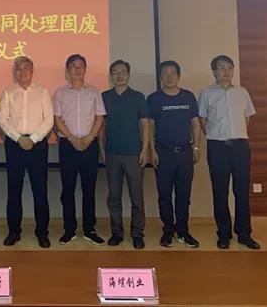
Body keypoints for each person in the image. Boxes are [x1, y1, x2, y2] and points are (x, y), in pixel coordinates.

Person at [198, 55, 261, 250]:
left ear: (233, 70)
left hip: (240, 147)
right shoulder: (206, 93)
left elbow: (247, 118)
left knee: (242, 191)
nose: (226, 71)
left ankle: (244, 234)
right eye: (221, 68)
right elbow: (202, 120)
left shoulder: (242, 92)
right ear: (214, 72)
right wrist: (217, 135)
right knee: (220, 191)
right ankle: (224, 234)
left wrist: (236, 136)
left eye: (229, 68)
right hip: (217, 147)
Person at [0, 56, 54, 248]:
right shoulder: (8, 92)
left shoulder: (42, 92)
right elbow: (3, 120)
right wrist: (19, 138)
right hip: (15, 145)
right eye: (19, 69)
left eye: (26, 68)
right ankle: (14, 231)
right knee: (14, 191)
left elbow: (49, 120)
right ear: (15, 72)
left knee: (40, 191)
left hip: (37, 145)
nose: (22, 72)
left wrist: (33, 138)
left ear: (32, 71)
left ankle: (42, 232)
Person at [148, 60, 202, 249]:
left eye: (173, 72)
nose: (169, 76)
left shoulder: (188, 97)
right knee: (164, 195)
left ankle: (183, 230)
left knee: (183, 194)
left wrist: (196, 147)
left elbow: (195, 124)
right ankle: (168, 230)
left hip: (185, 152)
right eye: (165, 73)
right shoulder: (154, 99)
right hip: (163, 153)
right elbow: (150, 126)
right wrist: (152, 150)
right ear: (160, 77)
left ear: (178, 75)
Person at [53, 54, 106, 246]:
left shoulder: (94, 92)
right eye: (73, 66)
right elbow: (57, 119)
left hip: (89, 144)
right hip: (68, 144)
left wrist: (90, 137)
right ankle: (69, 229)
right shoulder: (60, 93)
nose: (77, 69)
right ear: (67, 70)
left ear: (85, 69)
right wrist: (72, 138)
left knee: (89, 189)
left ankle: (90, 229)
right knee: (67, 189)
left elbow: (99, 117)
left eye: (81, 66)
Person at [99, 60, 150, 249]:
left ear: (128, 74)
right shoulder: (104, 97)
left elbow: (145, 124)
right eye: (115, 72)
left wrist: (144, 149)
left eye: (123, 72)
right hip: (112, 153)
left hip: (134, 154)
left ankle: (137, 234)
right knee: (114, 196)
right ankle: (117, 233)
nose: (119, 75)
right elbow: (101, 127)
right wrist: (102, 150)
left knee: (136, 197)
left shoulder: (138, 97)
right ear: (110, 76)